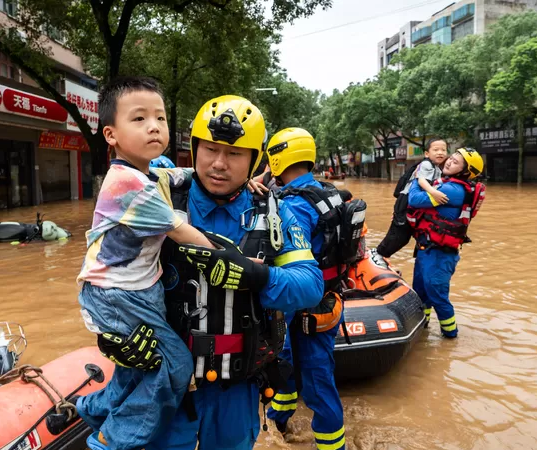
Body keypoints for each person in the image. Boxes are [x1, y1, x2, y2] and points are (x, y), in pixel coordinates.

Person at [77, 95, 324, 450]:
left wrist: (258, 278)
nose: (219, 164)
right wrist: (111, 337)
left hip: (235, 386)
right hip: (162, 378)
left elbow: (310, 285)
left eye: (235, 154)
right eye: (209, 150)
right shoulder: (157, 190)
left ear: (255, 160)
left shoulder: (276, 213)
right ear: (194, 149)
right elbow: (103, 267)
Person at [76, 77, 218, 450]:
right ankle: (109, 441)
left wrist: (241, 174)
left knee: (135, 368)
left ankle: (91, 409)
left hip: (139, 288)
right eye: (139, 119)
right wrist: (235, 259)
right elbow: (182, 231)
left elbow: (179, 175)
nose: (154, 126)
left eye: (160, 118)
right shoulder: (126, 183)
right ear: (111, 134)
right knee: (174, 365)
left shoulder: (150, 173)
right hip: (117, 293)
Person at [262, 128, 361, 450]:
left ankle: (333, 445)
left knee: (315, 382)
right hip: (329, 300)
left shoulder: (294, 206)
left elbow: (294, 265)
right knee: (293, 364)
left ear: (276, 158)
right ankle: (279, 415)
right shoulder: (328, 192)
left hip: (303, 305)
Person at [407, 148, 485, 338]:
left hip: (440, 254)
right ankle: (423, 328)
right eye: (452, 158)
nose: (449, 162)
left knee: (437, 296)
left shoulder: (453, 190)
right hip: (428, 249)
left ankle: (450, 337)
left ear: (465, 172)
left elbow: (414, 199)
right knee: (421, 293)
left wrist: (419, 179)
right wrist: (427, 184)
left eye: (456, 162)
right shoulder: (447, 183)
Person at [376, 138, 448, 259]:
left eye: (443, 150)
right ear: (427, 153)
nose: (440, 152)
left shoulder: (437, 168)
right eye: (436, 150)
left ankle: (381, 254)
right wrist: (434, 192)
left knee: (404, 235)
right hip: (406, 200)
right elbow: (421, 180)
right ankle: (379, 254)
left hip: (411, 203)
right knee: (399, 235)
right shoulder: (426, 164)